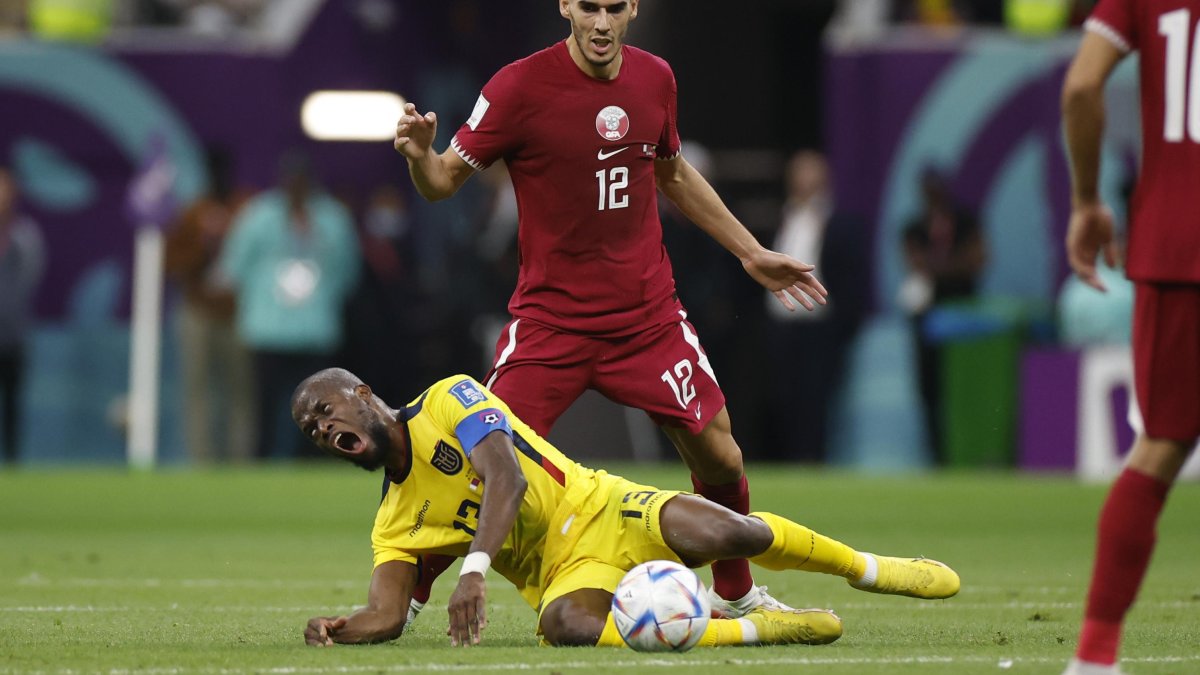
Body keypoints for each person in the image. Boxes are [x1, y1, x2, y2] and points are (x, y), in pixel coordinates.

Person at [393, 0, 829, 621]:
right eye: (589, 6)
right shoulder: (517, 87)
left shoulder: (656, 78)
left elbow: (673, 175)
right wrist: (419, 156)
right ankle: (410, 594)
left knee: (722, 455)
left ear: (633, 9)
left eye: (615, 7)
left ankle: (734, 594)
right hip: (550, 325)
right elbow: (441, 182)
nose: (601, 22)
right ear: (565, 6)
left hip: (647, 321)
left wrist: (750, 251)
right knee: (482, 464)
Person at [291, 368, 961, 648]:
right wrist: (336, 628)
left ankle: (870, 568)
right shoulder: (394, 521)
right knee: (565, 625)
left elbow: (506, 478)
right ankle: (762, 631)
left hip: (603, 504)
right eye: (312, 430)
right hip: (562, 572)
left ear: (362, 394)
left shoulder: (449, 397)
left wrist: (472, 570)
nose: (322, 429)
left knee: (730, 532)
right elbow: (386, 614)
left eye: (325, 410)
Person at [1060, 2, 1200, 674]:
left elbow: (1083, 85)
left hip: (1178, 243)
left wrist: (1088, 199)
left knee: (1159, 449)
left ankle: (1094, 658)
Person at [215, 151, 360, 460]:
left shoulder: (333, 219)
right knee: (263, 405)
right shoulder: (258, 216)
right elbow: (234, 267)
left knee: (318, 406)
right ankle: (260, 460)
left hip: (314, 329)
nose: (297, 187)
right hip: (267, 330)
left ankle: (311, 462)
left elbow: (348, 272)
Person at [764, 150, 870, 463]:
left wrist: (845, 325)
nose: (804, 180)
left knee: (816, 398)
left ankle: (813, 459)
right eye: (799, 172)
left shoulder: (839, 223)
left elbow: (853, 275)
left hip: (820, 328)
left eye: (810, 173)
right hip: (782, 325)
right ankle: (788, 459)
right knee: (782, 396)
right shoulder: (780, 218)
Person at [164, 146, 255, 464]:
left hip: (237, 312)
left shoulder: (245, 209)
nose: (219, 178)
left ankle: (240, 460)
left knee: (240, 391)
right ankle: (202, 460)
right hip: (198, 311)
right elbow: (171, 264)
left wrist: (229, 235)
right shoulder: (192, 212)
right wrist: (203, 245)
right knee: (198, 389)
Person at [898, 167, 986, 465]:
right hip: (927, 318)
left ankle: (967, 451)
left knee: (964, 386)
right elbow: (914, 263)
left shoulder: (965, 221)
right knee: (929, 389)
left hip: (963, 315)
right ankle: (936, 455)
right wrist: (951, 266)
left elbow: (977, 259)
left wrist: (937, 267)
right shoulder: (914, 227)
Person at [0, 167, 45, 466]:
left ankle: (12, 462)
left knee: (12, 402)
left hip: (12, 334)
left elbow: (29, 278)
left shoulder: (24, 234)